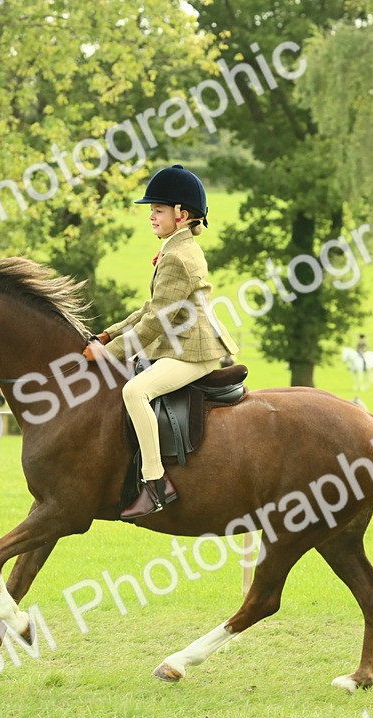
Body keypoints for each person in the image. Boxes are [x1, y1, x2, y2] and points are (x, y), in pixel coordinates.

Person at [83, 164, 238, 520]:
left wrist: (107, 354)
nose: (151, 217)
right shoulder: (175, 249)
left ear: (181, 215)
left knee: (134, 392)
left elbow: (156, 322)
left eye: (158, 210)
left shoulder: (178, 257)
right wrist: (110, 333)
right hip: (181, 345)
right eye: (151, 210)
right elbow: (151, 307)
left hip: (192, 353)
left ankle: (155, 485)